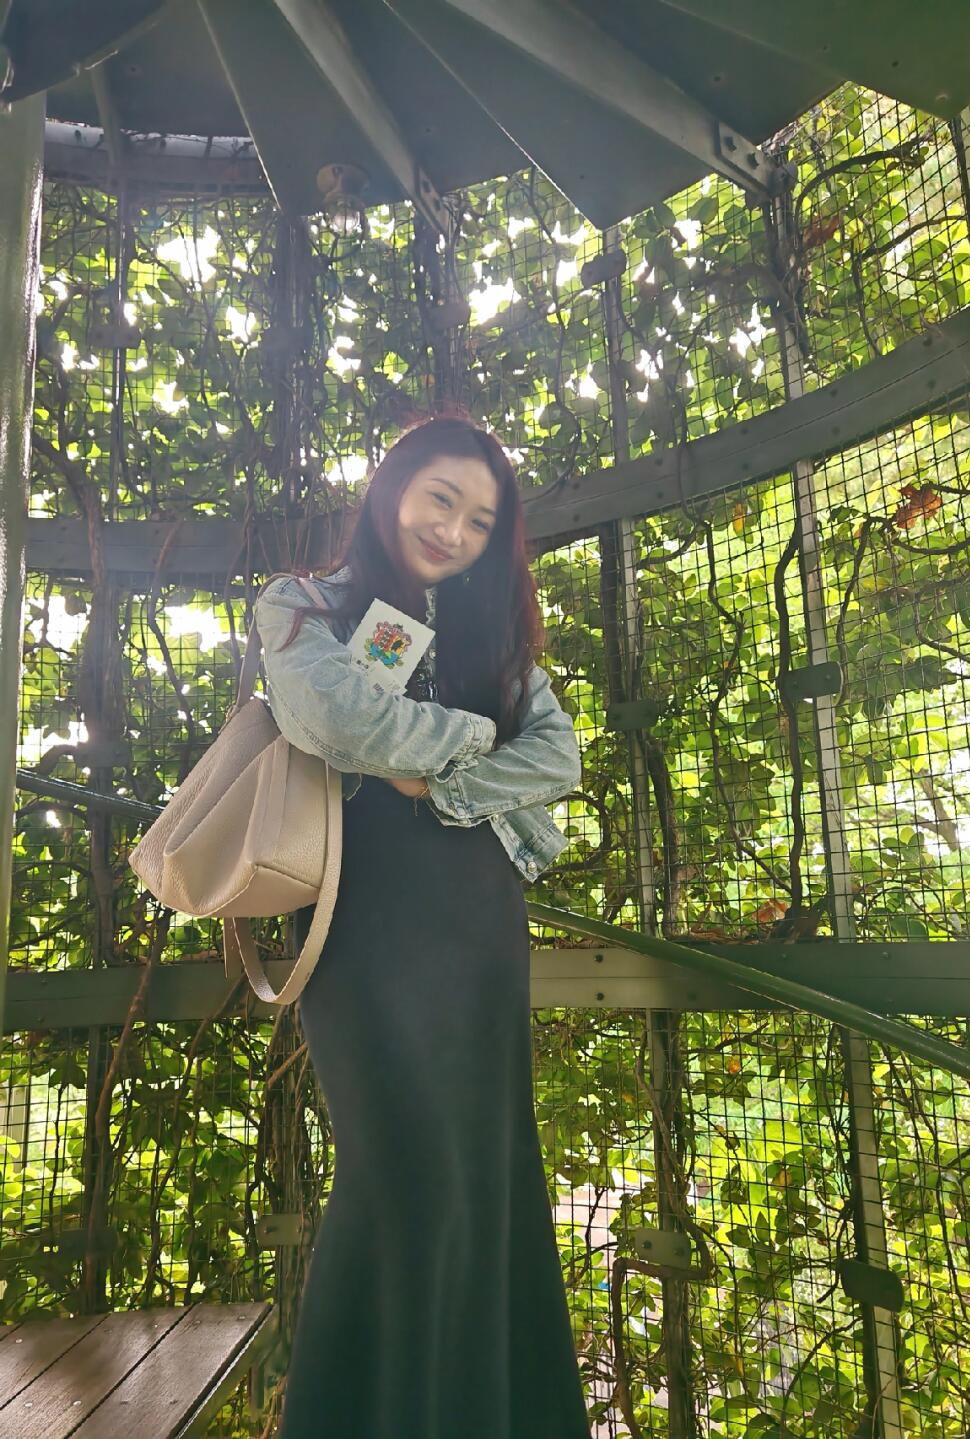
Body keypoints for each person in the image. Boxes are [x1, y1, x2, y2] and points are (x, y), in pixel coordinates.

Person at [254, 413, 591, 1438]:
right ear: (392, 486)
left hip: (479, 923)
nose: (455, 529)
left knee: (489, 1173)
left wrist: (441, 784)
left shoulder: (491, 634)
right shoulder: (312, 604)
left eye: (481, 520)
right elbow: (343, 721)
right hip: (364, 918)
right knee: (402, 1171)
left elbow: (559, 757)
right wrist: (480, 736)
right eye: (441, 498)